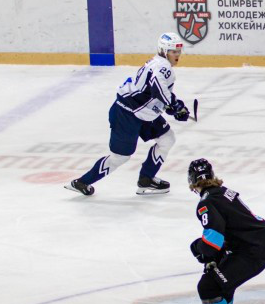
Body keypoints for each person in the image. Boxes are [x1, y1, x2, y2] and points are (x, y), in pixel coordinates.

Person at [67, 33, 192, 196]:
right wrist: (174, 105)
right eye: (173, 52)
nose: (177, 56)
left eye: (178, 52)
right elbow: (157, 87)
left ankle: (146, 180)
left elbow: (155, 95)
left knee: (167, 138)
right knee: (120, 157)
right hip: (126, 114)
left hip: (143, 113)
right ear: (164, 51)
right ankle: (82, 182)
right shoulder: (162, 66)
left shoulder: (158, 63)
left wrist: (174, 108)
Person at [187, 158, 265, 304]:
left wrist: (198, 249)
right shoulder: (221, 192)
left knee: (209, 286)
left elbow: (213, 242)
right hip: (254, 245)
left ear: (191, 181)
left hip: (251, 252)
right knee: (221, 277)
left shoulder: (206, 202)